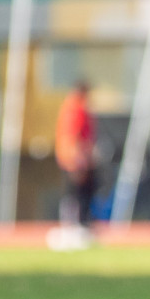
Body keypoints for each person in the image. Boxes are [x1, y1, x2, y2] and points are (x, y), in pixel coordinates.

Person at [55, 80, 97, 230]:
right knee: (78, 194)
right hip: (75, 159)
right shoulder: (76, 109)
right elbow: (73, 136)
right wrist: (79, 159)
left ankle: (76, 224)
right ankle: (76, 225)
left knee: (75, 193)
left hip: (70, 158)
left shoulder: (69, 108)